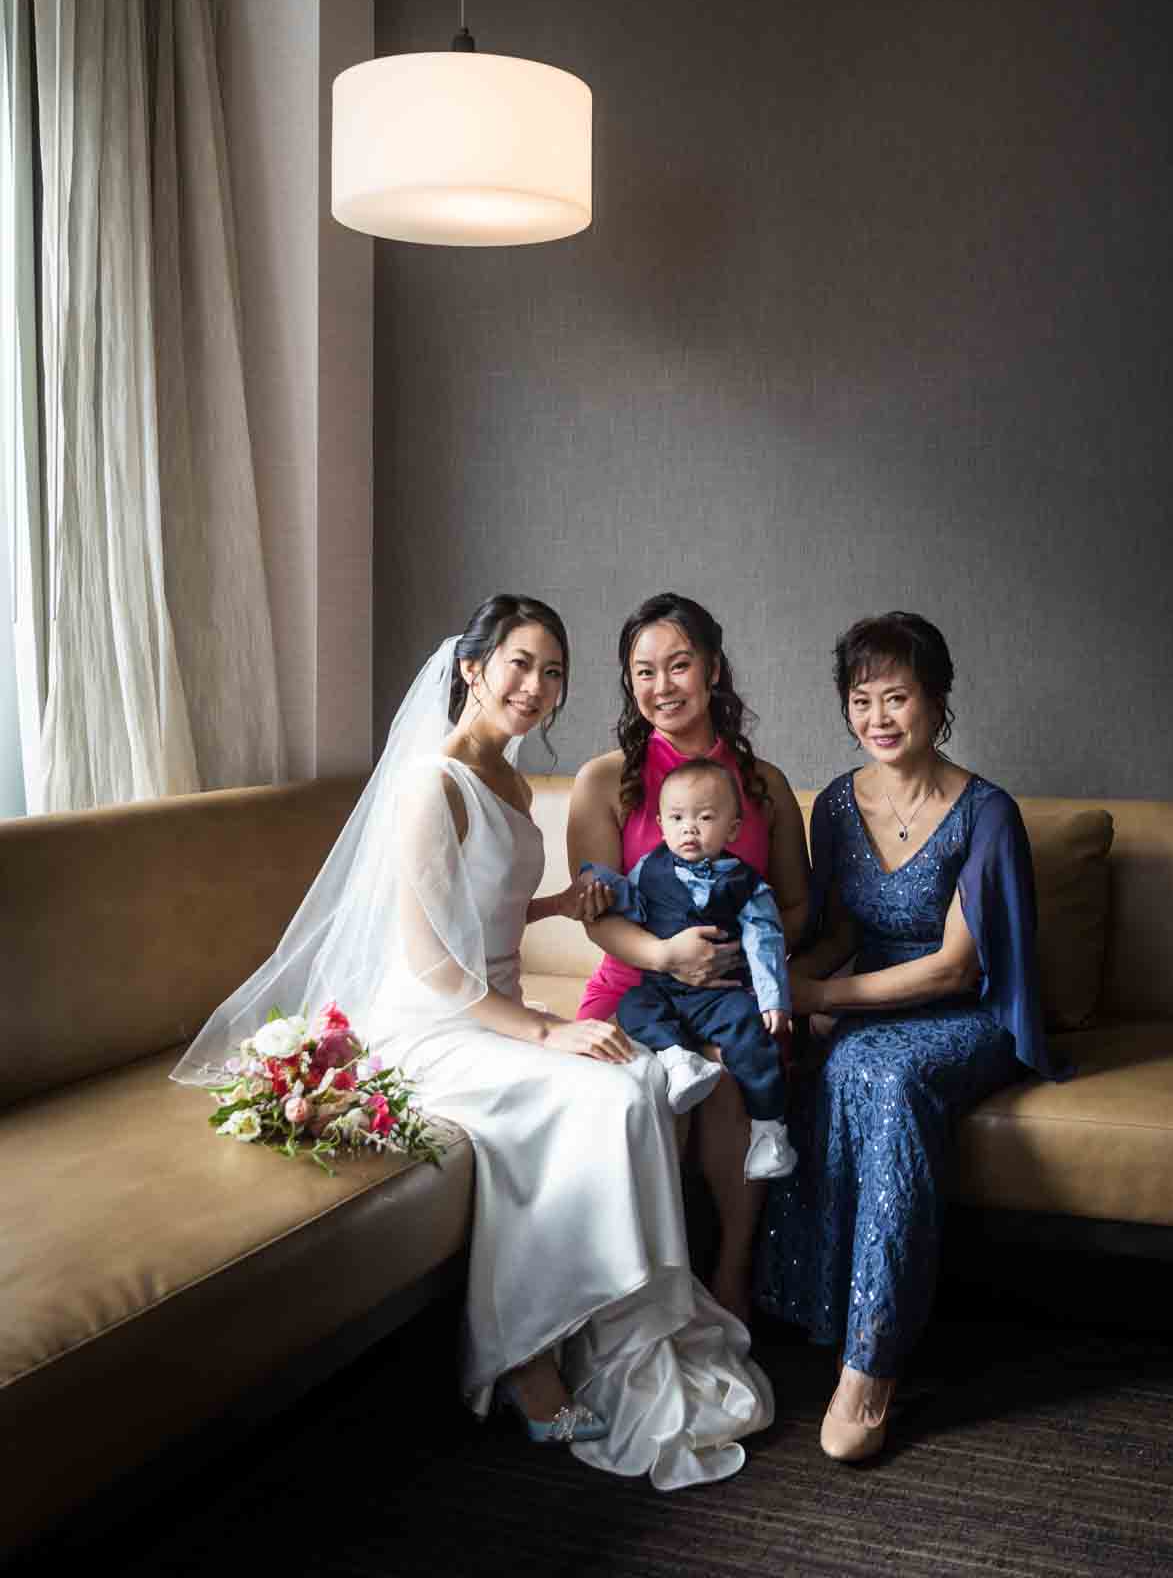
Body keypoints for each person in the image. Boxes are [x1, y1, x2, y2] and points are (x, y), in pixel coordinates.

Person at [173, 595, 772, 1489]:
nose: (536, 687)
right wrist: (544, 1028)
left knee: (642, 1078)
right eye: (520, 664)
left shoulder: (509, 782)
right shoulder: (431, 781)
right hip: (435, 1027)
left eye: (554, 672)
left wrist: (555, 909)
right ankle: (524, 1363)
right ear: (471, 669)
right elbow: (430, 962)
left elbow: (475, 906)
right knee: (608, 1087)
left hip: (492, 1011)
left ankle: (598, 1335)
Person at [752, 611, 1068, 1464]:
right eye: (861, 699)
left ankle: (872, 1364)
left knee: (884, 1074)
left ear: (937, 703)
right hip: (867, 1001)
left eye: (898, 696)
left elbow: (955, 971)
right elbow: (836, 927)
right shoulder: (835, 806)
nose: (878, 717)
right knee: (836, 1059)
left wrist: (824, 991)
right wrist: (779, 979)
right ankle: (814, 1312)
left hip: (968, 1016)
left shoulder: (987, 812)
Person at [567, 593, 811, 1319]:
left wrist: (751, 957)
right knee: (650, 1087)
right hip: (635, 984)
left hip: (732, 990)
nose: (661, 686)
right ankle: (648, 1292)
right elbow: (597, 915)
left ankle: (733, 1272)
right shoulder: (603, 781)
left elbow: (796, 904)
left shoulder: (761, 784)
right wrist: (667, 956)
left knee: (733, 1075)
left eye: (678, 665)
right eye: (643, 672)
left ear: (712, 670)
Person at [582, 757, 797, 1181]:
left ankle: (770, 1131)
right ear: (661, 825)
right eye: (678, 818)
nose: (689, 828)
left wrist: (773, 997)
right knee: (633, 1007)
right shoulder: (650, 866)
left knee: (750, 1036)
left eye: (705, 818)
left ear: (732, 829)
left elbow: (764, 938)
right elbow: (634, 903)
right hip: (662, 988)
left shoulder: (746, 882)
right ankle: (678, 1057)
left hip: (720, 993)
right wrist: (599, 887)